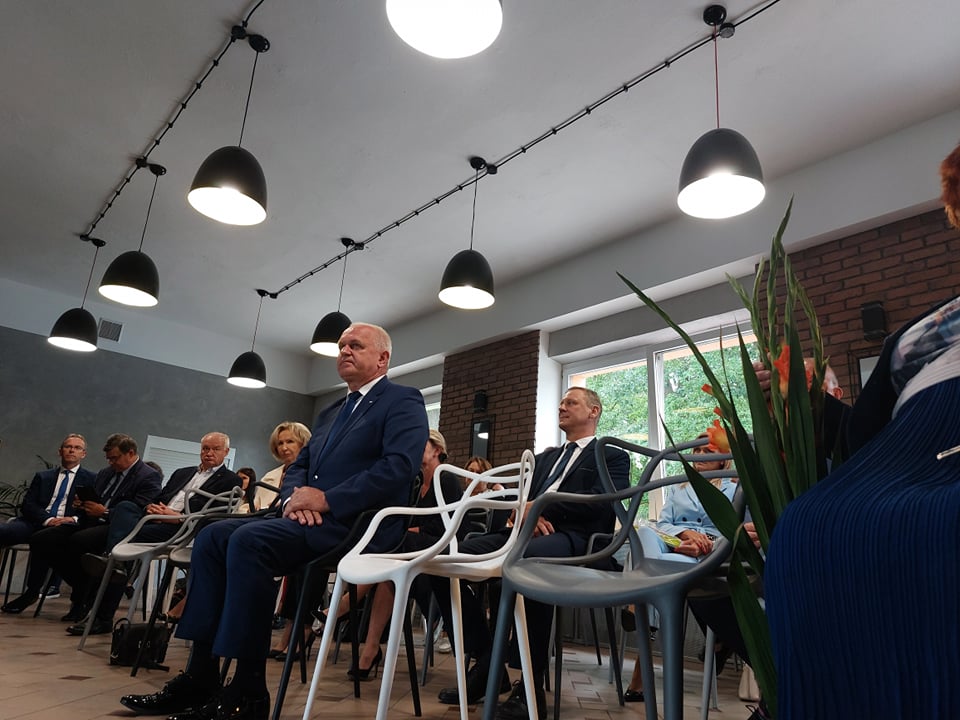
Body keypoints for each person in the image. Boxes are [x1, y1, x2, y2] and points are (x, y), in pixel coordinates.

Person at [119, 322, 428, 720]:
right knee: (212, 535)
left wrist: (327, 499)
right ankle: (200, 676)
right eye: (341, 345)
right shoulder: (332, 411)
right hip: (305, 517)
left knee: (249, 542)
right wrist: (292, 498)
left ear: (382, 358)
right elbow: (299, 466)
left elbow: (398, 468)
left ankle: (248, 691)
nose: (344, 351)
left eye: (355, 345)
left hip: (357, 524)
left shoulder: (403, 400)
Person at [764, 144, 960, 719]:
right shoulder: (919, 335)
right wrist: (807, 403)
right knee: (804, 524)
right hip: (903, 466)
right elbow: (863, 442)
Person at [429, 386, 631, 720]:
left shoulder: (610, 455)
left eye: (571, 402)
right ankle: (488, 660)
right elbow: (522, 500)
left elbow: (604, 502)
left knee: (526, 566)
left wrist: (540, 508)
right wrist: (521, 512)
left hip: (576, 539)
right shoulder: (546, 458)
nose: (562, 406)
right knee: (441, 560)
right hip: (525, 534)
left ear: (593, 411)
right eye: (561, 402)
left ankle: (530, 685)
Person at [68, 432, 242, 635]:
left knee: (118, 545)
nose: (209, 453)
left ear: (226, 452)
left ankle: (103, 609)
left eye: (215, 449)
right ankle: (114, 566)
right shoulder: (182, 472)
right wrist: (153, 508)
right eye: (205, 448)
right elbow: (160, 497)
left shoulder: (231, 480)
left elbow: (216, 517)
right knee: (125, 507)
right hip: (154, 519)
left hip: (181, 529)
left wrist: (177, 516)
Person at [337, 429, 466, 680]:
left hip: (443, 547)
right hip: (410, 550)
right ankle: (370, 649)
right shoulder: (415, 481)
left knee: (393, 545)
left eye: (421, 443)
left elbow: (447, 527)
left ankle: (346, 604)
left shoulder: (446, 477)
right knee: (392, 564)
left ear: (437, 450)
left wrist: (406, 530)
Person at [5, 433, 161, 623]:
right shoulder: (106, 472)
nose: (111, 462)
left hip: (114, 526)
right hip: (89, 521)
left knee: (79, 541)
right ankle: (83, 588)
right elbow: (96, 498)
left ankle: (82, 597)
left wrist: (105, 512)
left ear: (130, 453)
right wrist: (83, 504)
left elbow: (138, 510)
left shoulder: (148, 476)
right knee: (41, 539)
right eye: (109, 459)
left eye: (115, 458)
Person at [0, 434, 96, 614]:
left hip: (67, 527)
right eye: (68, 447)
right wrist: (48, 519)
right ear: (60, 451)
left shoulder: (92, 479)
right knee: (3, 531)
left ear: (83, 454)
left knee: (45, 540)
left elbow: (90, 510)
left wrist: (73, 519)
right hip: (37, 521)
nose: (72, 450)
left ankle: (32, 592)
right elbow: (28, 504)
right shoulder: (43, 476)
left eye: (77, 448)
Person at [256, 422, 312, 660]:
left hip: (298, 527)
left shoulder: (313, 471)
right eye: (280, 443)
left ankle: (299, 627)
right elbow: (258, 505)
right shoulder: (271, 476)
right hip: (269, 523)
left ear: (304, 443)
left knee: (305, 560)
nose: (284, 447)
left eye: (290, 441)